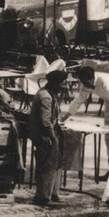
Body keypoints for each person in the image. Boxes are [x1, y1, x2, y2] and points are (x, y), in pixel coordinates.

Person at [71, 62, 109, 171]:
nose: (85, 85)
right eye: (83, 82)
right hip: (108, 102)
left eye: (86, 82)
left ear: (91, 78)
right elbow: (79, 99)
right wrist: (67, 114)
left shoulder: (104, 81)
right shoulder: (86, 83)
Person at [28, 61, 69, 207]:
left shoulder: (50, 94)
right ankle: (43, 197)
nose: (63, 87)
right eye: (62, 84)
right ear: (55, 83)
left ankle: (53, 193)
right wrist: (53, 138)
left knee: (56, 163)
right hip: (43, 136)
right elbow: (45, 122)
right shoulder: (45, 96)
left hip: (49, 132)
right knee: (48, 165)